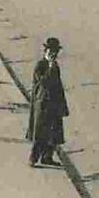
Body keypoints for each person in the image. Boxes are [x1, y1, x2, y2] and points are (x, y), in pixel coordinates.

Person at [27, 37, 70, 167]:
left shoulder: (55, 65)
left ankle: (47, 157)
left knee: (53, 134)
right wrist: (50, 67)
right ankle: (33, 158)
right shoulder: (40, 65)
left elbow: (58, 86)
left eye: (55, 53)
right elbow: (44, 83)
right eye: (51, 52)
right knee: (40, 133)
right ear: (45, 51)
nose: (53, 55)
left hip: (54, 104)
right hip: (43, 104)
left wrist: (63, 105)